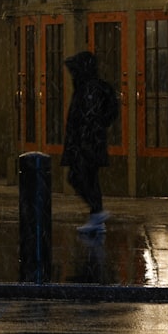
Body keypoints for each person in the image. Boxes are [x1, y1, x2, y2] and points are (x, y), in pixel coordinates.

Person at [61, 50, 118, 234]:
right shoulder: (93, 87)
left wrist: (82, 141)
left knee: (78, 177)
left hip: (85, 144)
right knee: (90, 179)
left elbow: (86, 118)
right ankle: (96, 215)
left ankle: (97, 211)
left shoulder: (88, 89)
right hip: (90, 142)